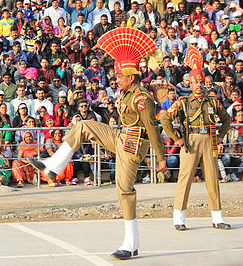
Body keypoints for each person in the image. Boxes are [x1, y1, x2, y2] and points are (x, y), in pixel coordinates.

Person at [28, 28, 167, 260]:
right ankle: (54, 165)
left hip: (133, 146)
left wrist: (161, 158)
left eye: (120, 77)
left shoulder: (142, 98)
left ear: (131, 77)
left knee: (124, 191)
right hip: (121, 137)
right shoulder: (127, 92)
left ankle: (131, 243)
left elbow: (152, 128)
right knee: (84, 126)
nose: (116, 80)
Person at [161, 62, 232, 231]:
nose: (199, 85)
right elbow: (165, 120)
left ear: (204, 82)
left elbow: (227, 119)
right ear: (190, 84)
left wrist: (221, 136)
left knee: (213, 179)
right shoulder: (183, 101)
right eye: (195, 82)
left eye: (201, 82)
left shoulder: (213, 102)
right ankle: (179, 218)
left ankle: (217, 218)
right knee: (185, 179)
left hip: (209, 139)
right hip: (190, 140)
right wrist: (177, 139)